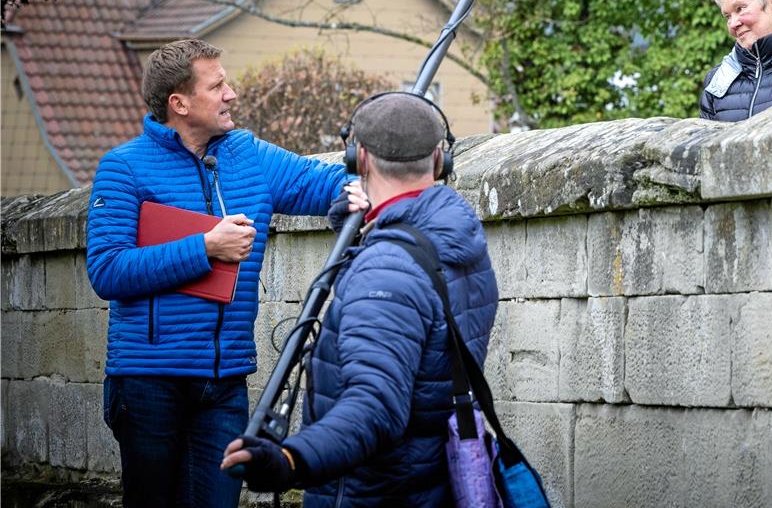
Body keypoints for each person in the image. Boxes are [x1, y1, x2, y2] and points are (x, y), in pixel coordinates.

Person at [86, 39, 349, 508]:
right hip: (148, 384)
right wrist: (204, 248)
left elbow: (325, 184)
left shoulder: (250, 156)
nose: (232, 94)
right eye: (218, 85)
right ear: (179, 103)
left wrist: (379, 183)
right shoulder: (123, 168)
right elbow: (107, 271)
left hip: (224, 382)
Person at [220, 92, 499, 507]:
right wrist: (359, 225)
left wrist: (290, 459)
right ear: (439, 160)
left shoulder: (386, 267)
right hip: (427, 480)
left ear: (359, 160)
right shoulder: (454, 237)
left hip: (374, 491)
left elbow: (375, 407)